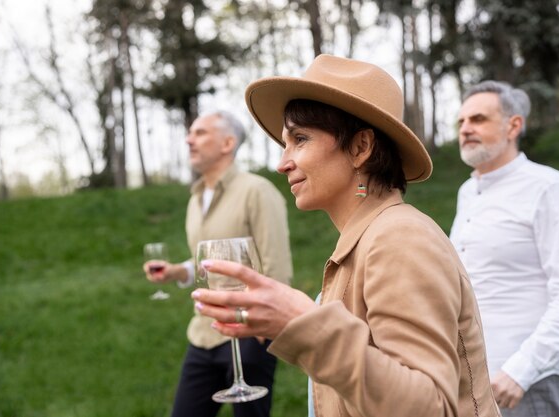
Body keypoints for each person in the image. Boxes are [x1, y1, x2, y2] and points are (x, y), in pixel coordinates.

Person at [191, 54, 501, 417]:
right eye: (285, 143)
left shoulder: (400, 238)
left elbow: (428, 406)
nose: (282, 162)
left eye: (300, 139)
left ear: (360, 147)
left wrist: (303, 324)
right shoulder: (368, 237)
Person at [449, 80, 559, 416]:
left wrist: (521, 370)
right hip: (473, 384)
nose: (466, 129)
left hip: (531, 384)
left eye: (478, 119)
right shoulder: (467, 193)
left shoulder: (551, 189)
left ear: (513, 125)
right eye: (462, 122)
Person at [143, 110, 293, 417]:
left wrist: (263, 332)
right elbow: (208, 260)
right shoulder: (195, 198)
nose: (189, 139)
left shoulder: (257, 190)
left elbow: (275, 263)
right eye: (190, 133)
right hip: (203, 333)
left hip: (249, 333)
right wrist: (178, 271)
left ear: (227, 143)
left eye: (200, 133)